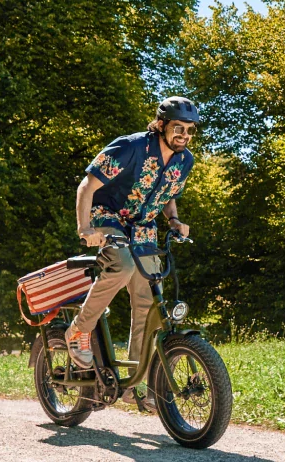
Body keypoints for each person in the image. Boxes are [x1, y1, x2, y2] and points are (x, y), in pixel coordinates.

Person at [66, 97, 199, 376]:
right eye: (178, 128)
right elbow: (86, 187)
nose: (184, 135)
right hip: (108, 216)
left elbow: (168, 194)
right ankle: (79, 330)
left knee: (148, 301)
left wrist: (173, 220)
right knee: (123, 265)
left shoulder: (185, 160)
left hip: (144, 227)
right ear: (161, 125)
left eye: (190, 130)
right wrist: (85, 229)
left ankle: (136, 381)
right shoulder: (131, 147)